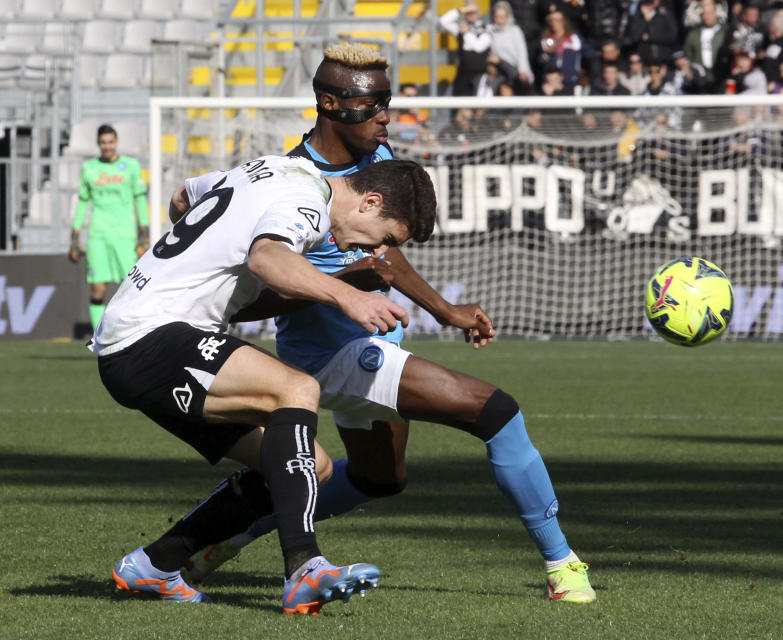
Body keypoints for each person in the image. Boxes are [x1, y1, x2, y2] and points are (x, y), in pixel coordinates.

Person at [171, 43, 596, 604]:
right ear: (329, 103)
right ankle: (563, 565)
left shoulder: (372, 158)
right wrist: (344, 288)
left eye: (386, 104)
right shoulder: (294, 185)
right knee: (496, 412)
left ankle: (213, 541)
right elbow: (253, 269)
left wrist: (443, 310)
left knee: (380, 479)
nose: (384, 118)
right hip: (333, 353)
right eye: (372, 106)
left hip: (370, 339)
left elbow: (383, 257)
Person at [96, 155, 436, 615]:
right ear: (370, 203)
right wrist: (347, 294)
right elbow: (266, 256)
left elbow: (184, 197)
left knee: (308, 466)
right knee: (296, 389)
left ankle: (156, 564)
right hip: (149, 335)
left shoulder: (273, 168)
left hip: (140, 338)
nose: (377, 251)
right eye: (387, 238)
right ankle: (304, 568)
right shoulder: (308, 201)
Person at [68, 124, 148, 332]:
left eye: (110, 142)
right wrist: (75, 234)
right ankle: (99, 337)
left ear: (117, 142)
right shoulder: (90, 168)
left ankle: (132, 332)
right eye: (103, 143)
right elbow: (83, 202)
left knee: (130, 287)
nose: (107, 147)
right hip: (98, 235)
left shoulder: (130, 166)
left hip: (125, 235)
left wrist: (144, 233)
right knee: (97, 287)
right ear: (98, 144)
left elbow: (140, 200)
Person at [439, 2, 493, 96]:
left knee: (478, 106)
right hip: (463, 74)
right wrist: (462, 10)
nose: (470, 15)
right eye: (468, 12)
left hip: (481, 75)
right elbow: (443, 20)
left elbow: (479, 47)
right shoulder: (460, 28)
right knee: (459, 105)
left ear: (479, 13)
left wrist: (466, 33)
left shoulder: (487, 28)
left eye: (473, 12)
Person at [681, 0, 730, 92]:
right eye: (704, 13)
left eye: (710, 13)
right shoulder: (694, 33)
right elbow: (687, 53)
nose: (707, 16)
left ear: (716, 13)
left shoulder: (726, 32)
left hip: (720, 76)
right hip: (699, 78)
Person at [490, 0, 534, 92]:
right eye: (497, 16)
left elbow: (522, 52)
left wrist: (523, 70)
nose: (499, 20)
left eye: (502, 17)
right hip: (500, 73)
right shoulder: (491, 31)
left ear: (508, 16)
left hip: (516, 72)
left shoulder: (515, 30)